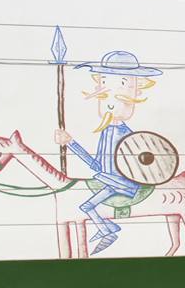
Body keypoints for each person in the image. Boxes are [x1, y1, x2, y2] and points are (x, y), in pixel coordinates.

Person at [54, 50, 162, 255]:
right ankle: (106, 228)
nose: (110, 104)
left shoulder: (129, 138)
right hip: (107, 178)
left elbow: (137, 167)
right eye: (104, 96)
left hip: (122, 183)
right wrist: (71, 143)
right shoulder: (107, 132)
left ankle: (109, 229)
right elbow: (96, 165)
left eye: (119, 97)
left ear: (136, 94)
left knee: (86, 207)